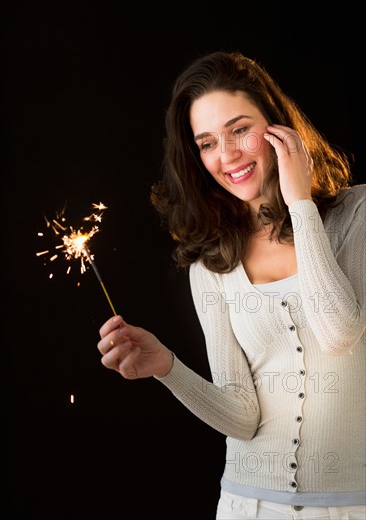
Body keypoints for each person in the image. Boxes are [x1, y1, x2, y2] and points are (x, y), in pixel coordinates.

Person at [97, 51, 366, 519]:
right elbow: (242, 417)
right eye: (206, 143)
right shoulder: (212, 262)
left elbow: (340, 331)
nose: (227, 156)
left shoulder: (357, 215)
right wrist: (167, 367)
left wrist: (299, 203)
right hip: (248, 504)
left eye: (240, 130)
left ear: (278, 125)